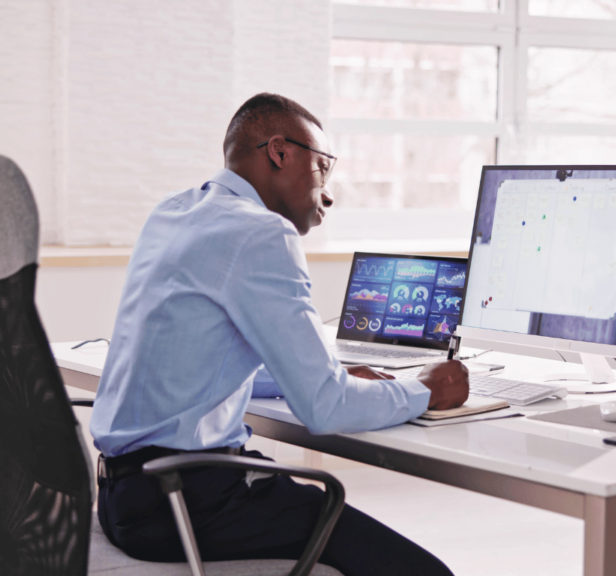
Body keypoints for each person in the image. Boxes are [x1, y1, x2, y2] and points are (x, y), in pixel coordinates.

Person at [89, 93, 469, 576]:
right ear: (280, 152)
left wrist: (307, 375)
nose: (327, 193)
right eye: (323, 168)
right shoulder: (262, 234)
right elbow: (324, 408)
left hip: (124, 496)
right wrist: (425, 390)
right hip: (187, 503)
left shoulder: (174, 212)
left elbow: (201, 361)